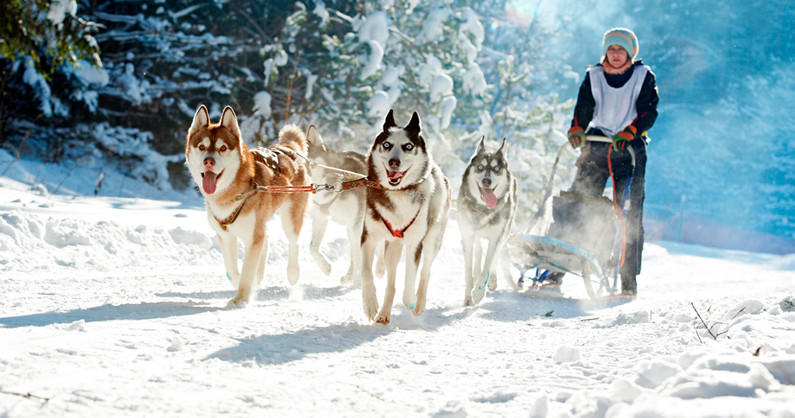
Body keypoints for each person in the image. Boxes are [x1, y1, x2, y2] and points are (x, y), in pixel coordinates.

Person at [549, 27, 659, 295]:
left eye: (621, 49)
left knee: (628, 214)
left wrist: (632, 131)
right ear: (605, 51)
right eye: (611, 49)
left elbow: (649, 111)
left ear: (630, 52)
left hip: (629, 148)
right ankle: (556, 268)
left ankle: (627, 278)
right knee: (577, 202)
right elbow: (584, 107)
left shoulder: (643, 76)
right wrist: (577, 128)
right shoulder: (594, 75)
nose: (616, 54)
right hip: (598, 145)